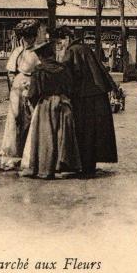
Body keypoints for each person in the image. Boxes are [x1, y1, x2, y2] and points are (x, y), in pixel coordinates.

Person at [54, 26, 118, 178]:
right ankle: (90, 165)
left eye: (60, 42)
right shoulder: (85, 48)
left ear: (67, 38)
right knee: (94, 132)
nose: (59, 45)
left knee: (83, 131)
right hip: (97, 94)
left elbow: (69, 75)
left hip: (83, 97)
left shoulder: (71, 51)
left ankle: (82, 166)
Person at [20, 41, 81, 179]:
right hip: (63, 103)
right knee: (62, 135)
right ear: (53, 54)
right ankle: (62, 166)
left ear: (41, 56)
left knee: (45, 137)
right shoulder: (63, 68)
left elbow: (33, 93)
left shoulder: (39, 71)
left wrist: (33, 102)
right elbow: (70, 88)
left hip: (46, 105)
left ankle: (45, 168)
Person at [0, 20, 41, 168]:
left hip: (32, 85)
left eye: (31, 37)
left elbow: (41, 70)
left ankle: (28, 153)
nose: (29, 40)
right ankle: (14, 151)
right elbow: (11, 72)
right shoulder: (17, 52)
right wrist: (13, 84)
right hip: (17, 87)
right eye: (26, 37)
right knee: (15, 117)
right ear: (22, 38)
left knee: (30, 118)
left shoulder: (38, 52)